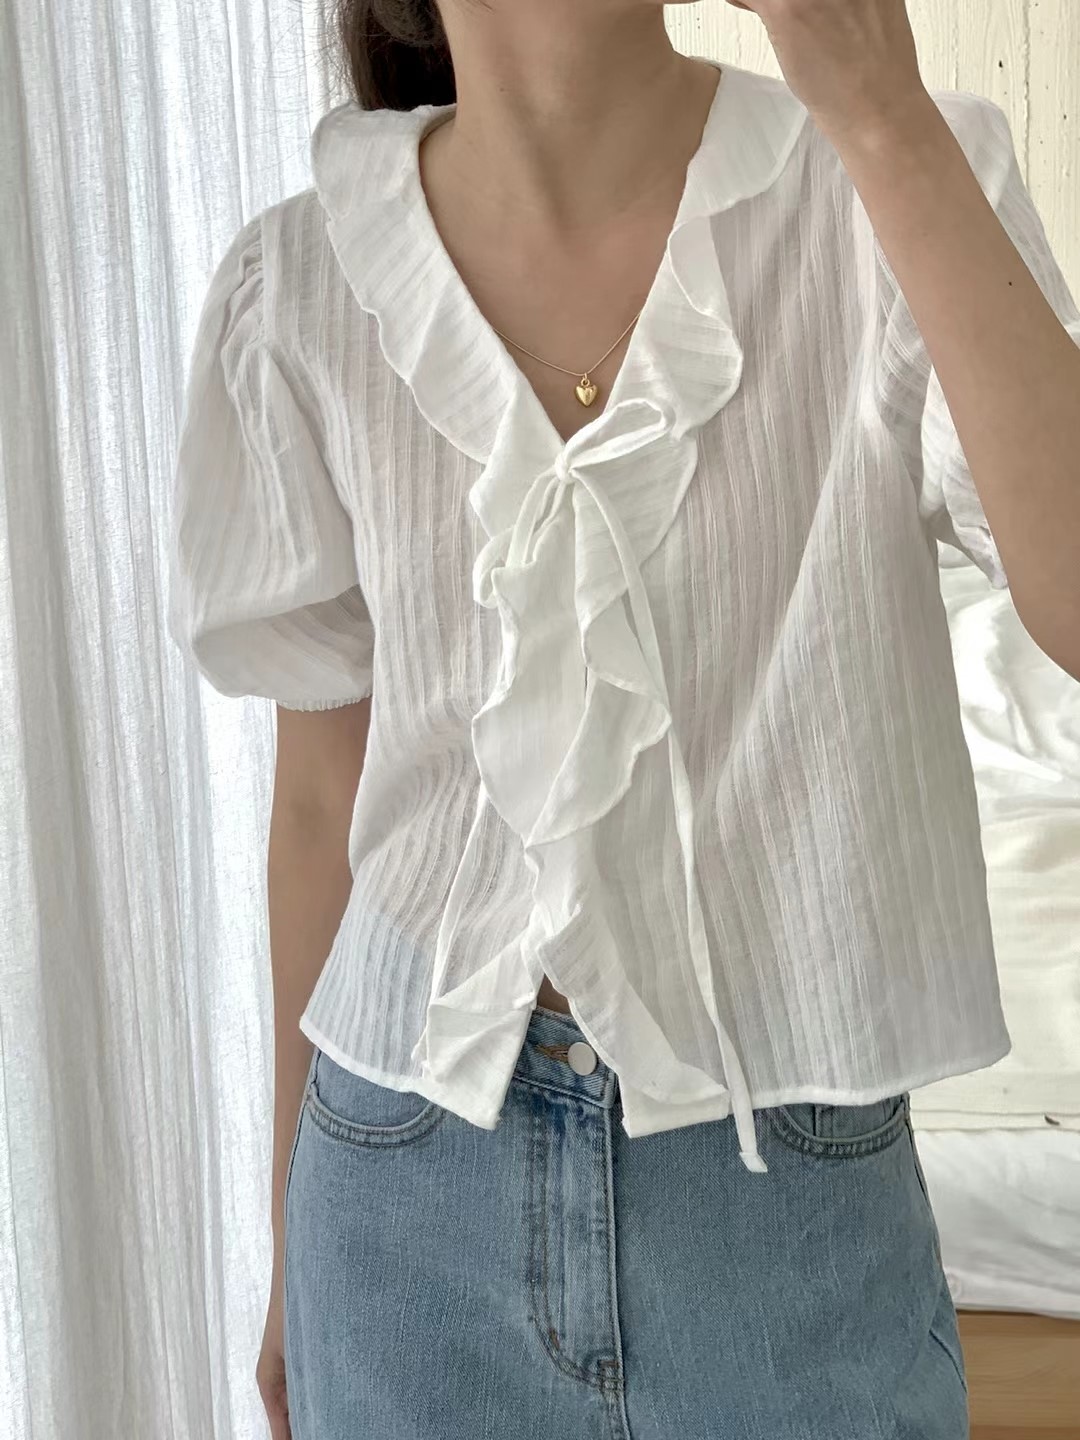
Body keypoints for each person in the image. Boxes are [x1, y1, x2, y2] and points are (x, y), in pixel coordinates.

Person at [168, 0, 1080, 1436]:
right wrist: (290, 1240)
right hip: (400, 1190)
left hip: (786, 1191)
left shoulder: (888, 186)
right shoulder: (299, 285)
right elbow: (316, 801)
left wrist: (882, 112)